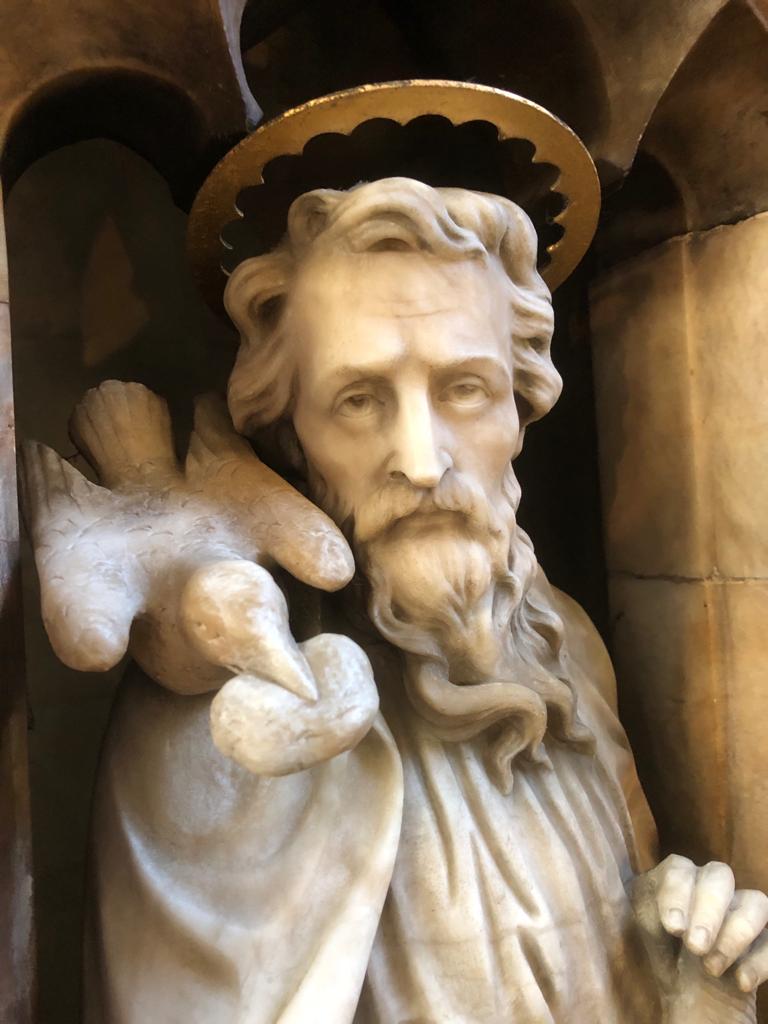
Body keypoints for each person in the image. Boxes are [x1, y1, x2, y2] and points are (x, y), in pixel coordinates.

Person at [24, 178, 768, 1022]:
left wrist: (689, 984)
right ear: (291, 430)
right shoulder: (218, 725)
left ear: (521, 408)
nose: (421, 460)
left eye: (464, 389)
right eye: (359, 400)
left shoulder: (566, 646)